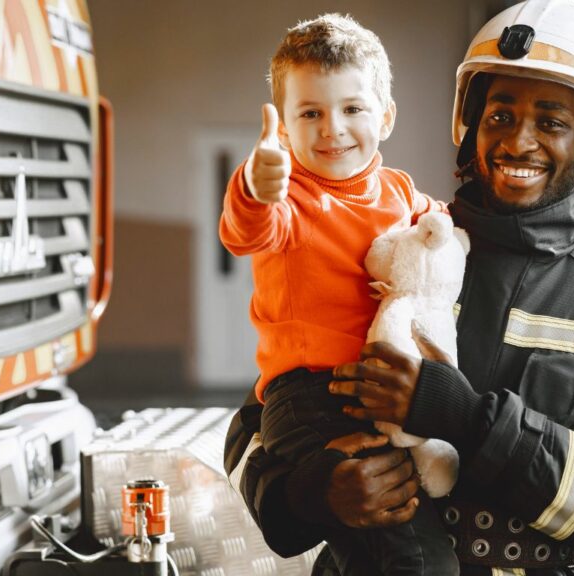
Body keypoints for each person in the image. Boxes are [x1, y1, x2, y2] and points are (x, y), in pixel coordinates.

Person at [224, 1, 574, 574]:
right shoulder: (410, 246)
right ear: (470, 124)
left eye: (551, 122)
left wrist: (468, 418)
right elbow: (263, 415)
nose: (519, 142)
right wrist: (311, 494)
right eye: (499, 116)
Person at [218, 13, 457, 576]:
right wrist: (255, 184)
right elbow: (246, 228)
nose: (333, 129)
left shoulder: (399, 192)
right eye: (310, 113)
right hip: (310, 399)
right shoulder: (290, 199)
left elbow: (445, 238)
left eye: (352, 109)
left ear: (387, 116)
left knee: (366, 551)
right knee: (415, 556)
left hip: (386, 394)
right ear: (284, 130)